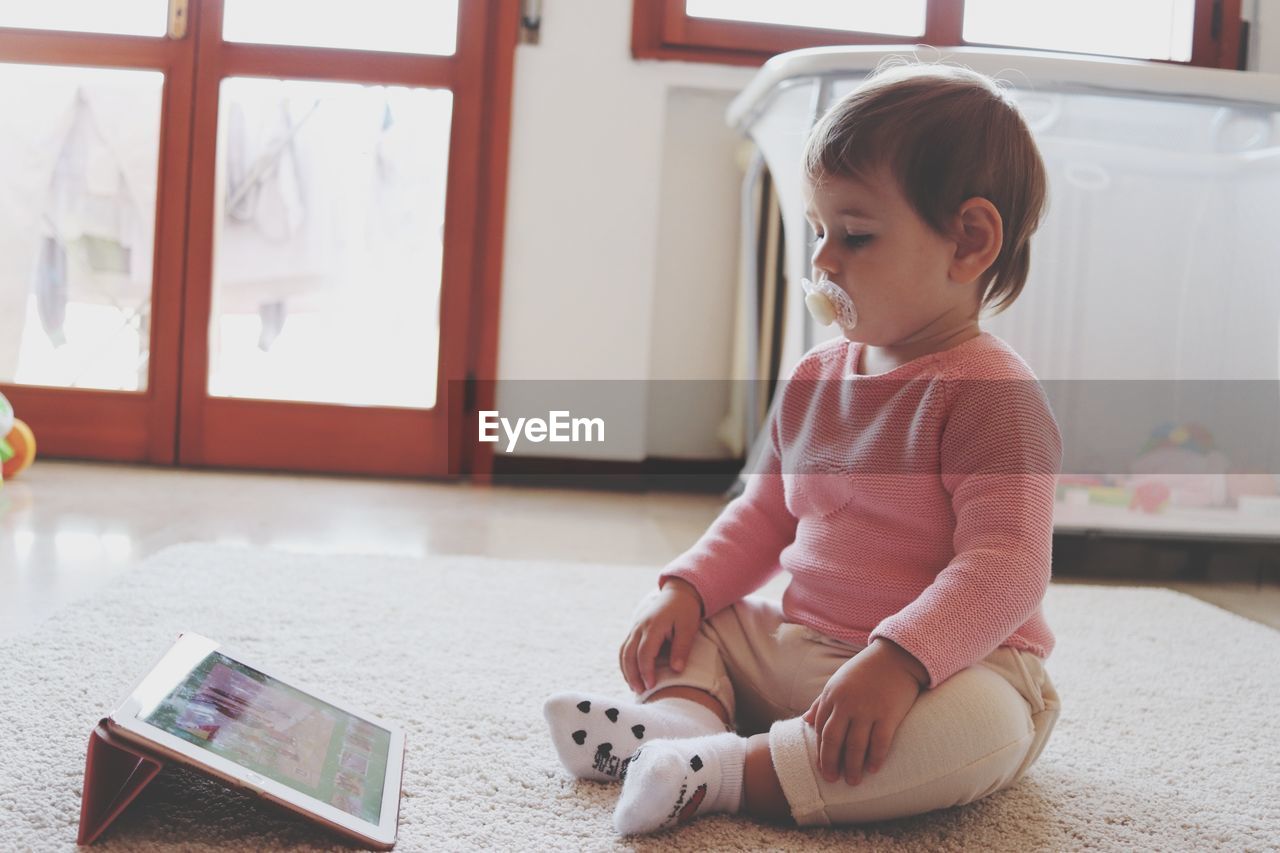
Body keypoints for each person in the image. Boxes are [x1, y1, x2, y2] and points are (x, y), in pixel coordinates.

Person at [544, 60, 1063, 836]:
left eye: (854, 235)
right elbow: (762, 515)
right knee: (711, 624)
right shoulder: (816, 375)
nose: (822, 260)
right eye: (819, 230)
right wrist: (686, 588)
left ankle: (723, 774)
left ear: (968, 241)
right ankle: (679, 729)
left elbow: (1007, 566)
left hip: (945, 667)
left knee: (980, 727)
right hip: (806, 643)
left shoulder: (991, 395)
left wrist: (899, 660)